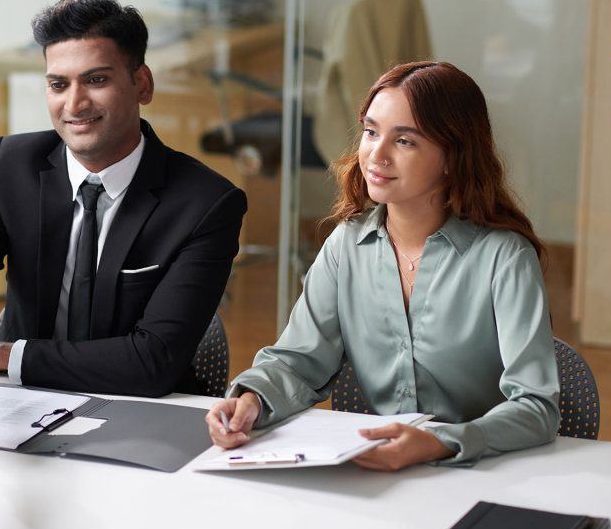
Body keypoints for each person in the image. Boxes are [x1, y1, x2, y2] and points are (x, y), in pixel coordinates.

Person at [206, 61, 560, 469]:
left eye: (405, 141)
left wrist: (440, 442)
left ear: (452, 157)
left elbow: (536, 406)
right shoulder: (346, 246)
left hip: (482, 473)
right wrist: (249, 402)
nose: (377, 154)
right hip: (376, 474)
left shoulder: (505, 258)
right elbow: (298, 363)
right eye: (371, 132)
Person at [0, 0, 247, 397]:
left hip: (141, 411)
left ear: (141, 84)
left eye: (96, 80)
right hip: (21, 403)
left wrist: (7, 356)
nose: (74, 104)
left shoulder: (206, 204)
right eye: (58, 84)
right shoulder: (9, 164)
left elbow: (153, 361)